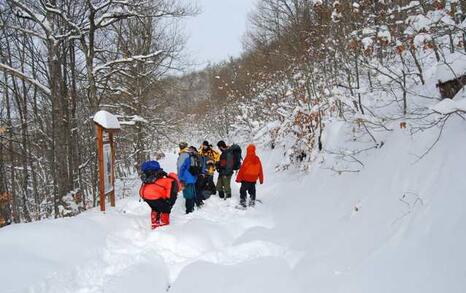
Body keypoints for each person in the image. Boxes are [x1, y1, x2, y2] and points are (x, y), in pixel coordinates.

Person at [139, 161, 179, 229]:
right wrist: (169, 202)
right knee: (165, 209)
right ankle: (164, 226)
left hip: (145, 194)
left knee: (155, 208)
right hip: (154, 195)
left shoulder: (152, 178)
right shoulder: (170, 181)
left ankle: (154, 223)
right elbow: (171, 193)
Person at [178, 146, 199, 214]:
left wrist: (180, 178)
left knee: (188, 195)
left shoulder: (187, 159)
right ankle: (191, 207)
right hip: (193, 179)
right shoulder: (197, 159)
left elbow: (182, 168)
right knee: (192, 194)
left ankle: (189, 210)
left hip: (186, 179)